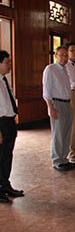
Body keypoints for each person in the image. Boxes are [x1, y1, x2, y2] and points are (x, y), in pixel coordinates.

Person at [42, 46, 75, 171]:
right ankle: (57, 160)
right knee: (58, 133)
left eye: (66, 55)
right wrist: (50, 107)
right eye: (61, 55)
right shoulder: (50, 69)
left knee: (67, 132)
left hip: (67, 104)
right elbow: (47, 90)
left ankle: (64, 158)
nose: (64, 58)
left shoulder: (65, 70)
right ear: (56, 55)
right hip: (57, 103)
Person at [0, 50, 24, 203]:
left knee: (7, 155)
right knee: (0, 156)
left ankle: (5, 184)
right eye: (7, 62)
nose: (9, 65)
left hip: (9, 121)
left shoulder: (4, 80)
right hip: (1, 122)